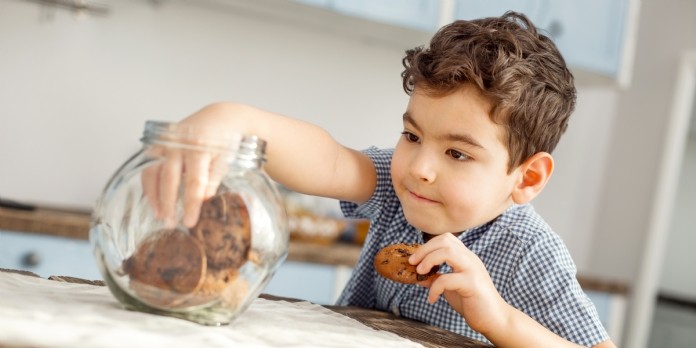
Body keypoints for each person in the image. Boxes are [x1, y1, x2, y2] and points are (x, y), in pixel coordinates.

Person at [146, 11, 615, 347]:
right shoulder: (400, 191)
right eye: (412, 135)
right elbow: (329, 160)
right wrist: (234, 119)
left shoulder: (530, 253)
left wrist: (498, 319)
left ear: (527, 177)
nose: (419, 167)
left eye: (456, 152)